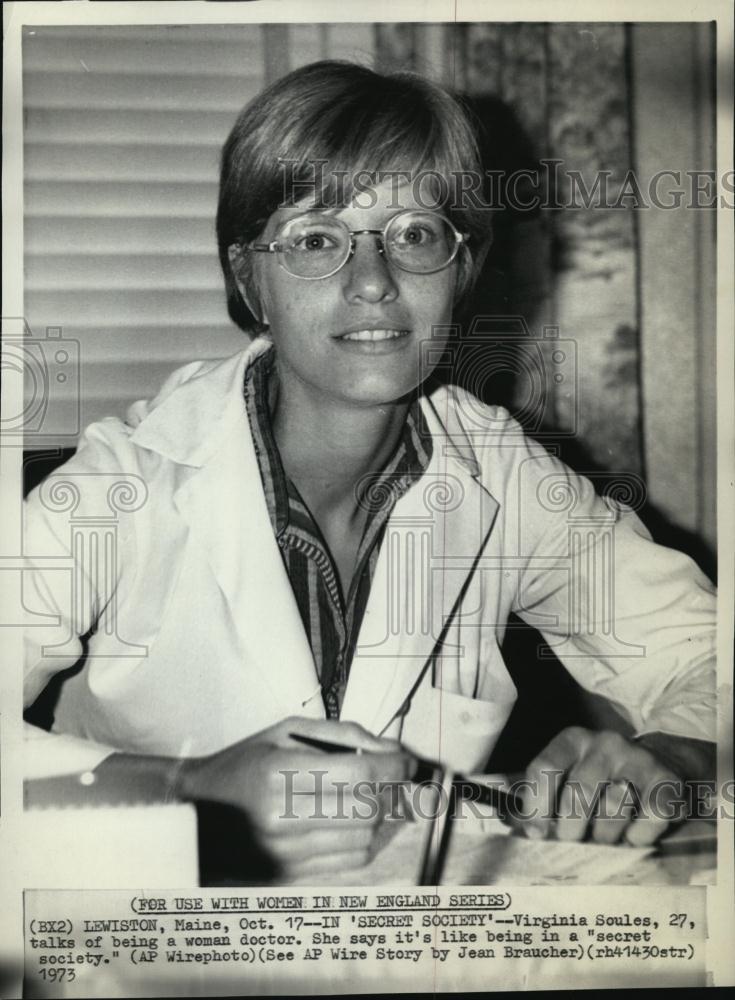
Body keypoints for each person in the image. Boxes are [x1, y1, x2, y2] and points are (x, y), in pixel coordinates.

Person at [23, 61, 716, 880]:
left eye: (414, 234)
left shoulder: (505, 475)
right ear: (249, 279)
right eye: (316, 240)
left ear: (461, 269)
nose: (373, 281)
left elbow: (704, 658)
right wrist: (188, 788)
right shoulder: (116, 488)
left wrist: (672, 757)